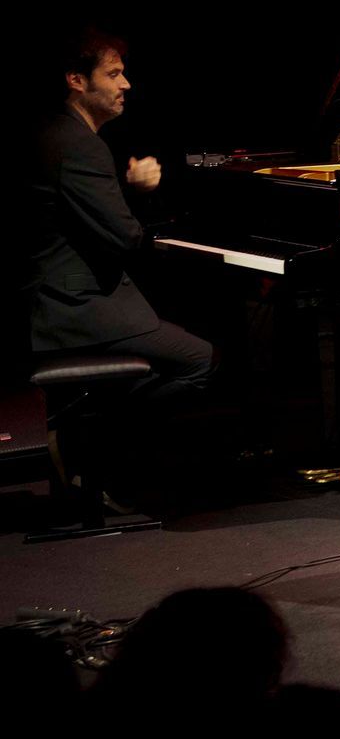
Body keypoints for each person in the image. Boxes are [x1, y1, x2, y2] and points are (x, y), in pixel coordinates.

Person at [25, 29, 213, 485]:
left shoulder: (58, 133)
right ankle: (89, 446)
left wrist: (126, 192)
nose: (125, 84)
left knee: (164, 346)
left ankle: (92, 451)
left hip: (59, 297)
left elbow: (87, 216)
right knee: (199, 361)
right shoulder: (78, 145)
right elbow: (127, 238)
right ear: (76, 80)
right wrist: (144, 193)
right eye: (112, 74)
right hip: (72, 307)